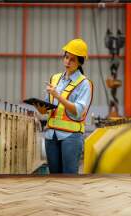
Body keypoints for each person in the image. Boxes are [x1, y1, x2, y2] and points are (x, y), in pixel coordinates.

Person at [34, 39, 93, 174]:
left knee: (69, 179)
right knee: (54, 177)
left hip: (71, 137)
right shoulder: (54, 78)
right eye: (66, 57)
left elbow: (78, 111)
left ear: (80, 62)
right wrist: (41, 108)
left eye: (72, 59)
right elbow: (48, 106)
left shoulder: (84, 84)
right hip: (51, 135)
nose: (67, 62)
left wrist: (58, 95)